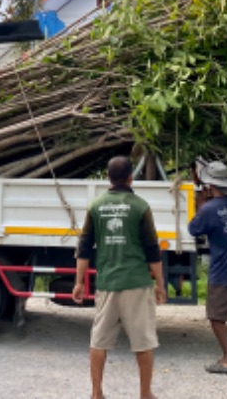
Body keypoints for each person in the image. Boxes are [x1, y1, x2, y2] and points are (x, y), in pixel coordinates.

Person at [73, 155, 167, 399]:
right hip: (137, 283)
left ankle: (96, 393)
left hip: (107, 283)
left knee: (99, 340)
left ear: (107, 178)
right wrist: (160, 284)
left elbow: (84, 247)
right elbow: (152, 249)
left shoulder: (95, 206)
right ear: (130, 177)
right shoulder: (141, 207)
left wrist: (79, 282)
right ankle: (145, 394)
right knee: (144, 342)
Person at [188, 160, 227, 374]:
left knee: (216, 316)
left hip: (223, 270)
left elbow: (193, 229)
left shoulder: (210, 209)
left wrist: (201, 204)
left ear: (210, 186)